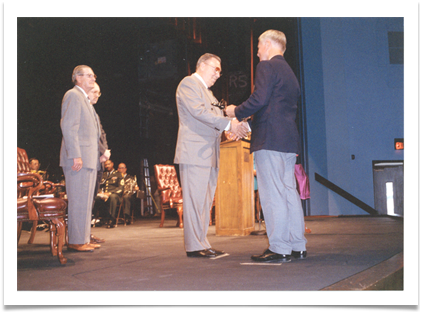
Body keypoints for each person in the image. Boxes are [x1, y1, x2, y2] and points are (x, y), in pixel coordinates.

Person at [225, 30, 307, 263]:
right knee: (289, 193)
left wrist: (235, 112)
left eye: (259, 46)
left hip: (269, 139)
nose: (258, 51)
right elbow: (273, 105)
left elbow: (259, 99)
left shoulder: (266, 67)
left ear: (269, 44)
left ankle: (279, 247)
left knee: (272, 195)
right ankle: (297, 245)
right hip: (288, 140)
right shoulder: (290, 73)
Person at [174, 53, 249, 258]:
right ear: (202, 65)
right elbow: (199, 113)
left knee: (205, 202)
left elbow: (217, 116)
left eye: (220, 71)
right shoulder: (189, 84)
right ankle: (194, 246)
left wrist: (232, 127)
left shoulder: (209, 93)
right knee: (195, 201)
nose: (218, 74)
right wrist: (228, 124)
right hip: (195, 153)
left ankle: (202, 243)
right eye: (216, 69)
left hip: (209, 153)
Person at [60, 65, 102, 252]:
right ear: (78, 78)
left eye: (94, 75)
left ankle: (83, 238)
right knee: (78, 199)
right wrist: (75, 154)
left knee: (85, 201)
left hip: (88, 159)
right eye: (89, 75)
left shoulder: (85, 100)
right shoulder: (73, 95)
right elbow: (69, 127)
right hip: (78, 159)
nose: (93, 78)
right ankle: (76, 240)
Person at [87, 82, 109, 243]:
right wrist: (101, 153)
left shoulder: (94, 112)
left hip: (99, 160)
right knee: (86, 200)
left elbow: (102, 134)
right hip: (91, 159)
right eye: (94, 92)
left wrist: (105, 153)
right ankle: (82, 236)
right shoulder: (84, 109)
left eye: (99, 93)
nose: (97, 95)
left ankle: (86, 233)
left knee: (92, 199)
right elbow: (89, 136)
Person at [93, 159, 124, 228]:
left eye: (108, 164)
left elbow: (121, 188)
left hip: (115, 196)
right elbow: (99, 186)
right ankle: (94, 218)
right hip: (103, 196)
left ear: (112, 164)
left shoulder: (118, 174)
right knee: (94, 197)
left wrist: (109, 193)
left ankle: (112, 219)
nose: (107, 166)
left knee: (112, 197)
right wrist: (100, 192)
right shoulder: (103, 175)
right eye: (105, 165)